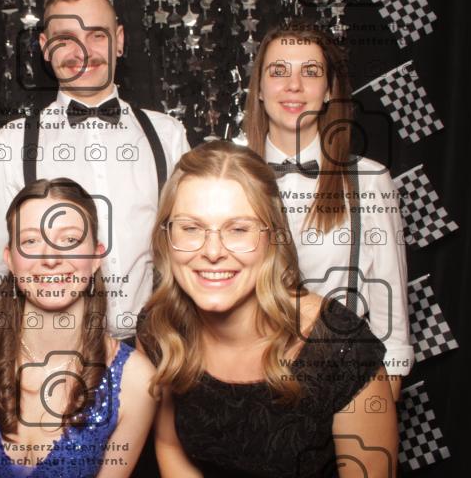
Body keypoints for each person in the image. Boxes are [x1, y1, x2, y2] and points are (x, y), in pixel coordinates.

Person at [138, 141, 398, 477]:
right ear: (166, 236)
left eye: (238, 229)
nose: (213, 251)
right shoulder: (160, 328)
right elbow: (170, 446)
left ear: (273, 237)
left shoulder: (342, 347)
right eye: (191, 228)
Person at [0, 0, 190, 340]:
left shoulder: (167, 136)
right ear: (45, 48)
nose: (82, 52)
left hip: (160, 346)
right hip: (55, 346)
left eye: (96, 36)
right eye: (65, 39)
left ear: (119, 41)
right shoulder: (13, 142)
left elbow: (190, 246)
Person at [0, 178, 157, 477]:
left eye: (69, 240)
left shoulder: (136, 380)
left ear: (96, 257)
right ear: (10, 259)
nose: (50, 258)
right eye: (31, 241)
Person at [243, 21, 413, 400]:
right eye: (279, 71)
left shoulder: (369, 180)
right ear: (260, 90)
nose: (294, 85)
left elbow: (391, 315)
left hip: (340, 380)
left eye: (311, 72)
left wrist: (383, 402)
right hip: (245, 379)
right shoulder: (227, 176)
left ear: (329, 92)